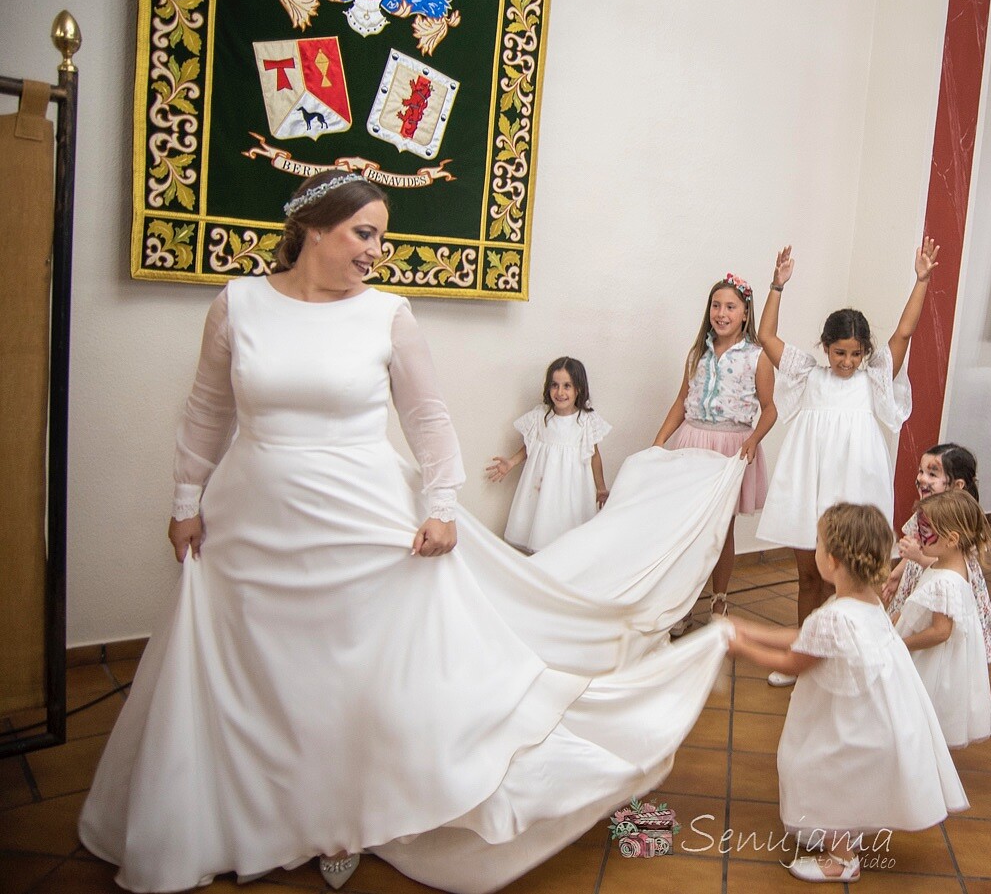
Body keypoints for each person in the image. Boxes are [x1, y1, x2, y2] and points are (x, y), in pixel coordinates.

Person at [78, 171, 746, 893]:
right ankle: (258, 813)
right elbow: (207, 410)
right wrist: (185, 499)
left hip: (362, 520)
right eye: (364, 232)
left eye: (382, 237)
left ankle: (343, 815)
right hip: (252, 519)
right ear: (312, 225)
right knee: (257, 669)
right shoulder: (236, 305)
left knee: (349, 673)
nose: (376, 250)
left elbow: (428, 419)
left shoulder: (387, 313)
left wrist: (443, 506)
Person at [726, 503, 967, 883]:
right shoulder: (867, 602)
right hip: (874, 715)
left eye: (818, 543)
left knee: (817, 770)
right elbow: (806, 639)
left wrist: (743, 648)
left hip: (852, 722)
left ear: (832, 560)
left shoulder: (833, 616)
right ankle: (844, 833)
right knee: (842, 775)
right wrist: (748, 629)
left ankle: (841, 860)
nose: (816, 549)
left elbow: (795, 661)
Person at [755, 239, 934, 685]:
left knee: (855, 583)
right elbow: (766, 337)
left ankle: (851, 657)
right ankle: (804, 657)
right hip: (810, 489)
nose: (848, 362)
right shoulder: (807, 375)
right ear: (825, 348)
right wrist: (777, 286)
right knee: (809, 579)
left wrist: (922, 280)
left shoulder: (875, 378)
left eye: (856, 353)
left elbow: (905, 332)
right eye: (840, 353)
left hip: (855, 491)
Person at [653, 273, 777, 632]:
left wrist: (752, 441)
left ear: (744, 313)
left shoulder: (757, 358)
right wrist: (659, 442)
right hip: (693, 441)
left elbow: (770, 409)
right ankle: (683, 601)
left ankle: (719, 600)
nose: (721, 313)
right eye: (716, 305)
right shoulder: (698, 354)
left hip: (730, 448)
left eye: (730, 307)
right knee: (689, 528)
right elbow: (682, 401)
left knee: (721, 530)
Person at [895, 491, 991, 749]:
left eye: (925, 530)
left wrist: (901, 644)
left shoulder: (946, 582)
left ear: (952, 538)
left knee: (918, 718)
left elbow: (941, 631)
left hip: (932, 663)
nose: (918, 536)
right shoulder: (946, 562)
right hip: (924, 654)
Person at [883, 443, 991, 661]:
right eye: (921, 471)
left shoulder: (961, 522)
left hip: (944, 594)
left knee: (933, 645)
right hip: (920, 586)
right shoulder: (924, 511)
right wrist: (898, 572)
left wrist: (918, 557)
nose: (922, 479)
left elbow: (951, 569)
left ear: (957, 485)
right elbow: (915, 546)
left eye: (932, 473)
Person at [485, 356, 611, 552]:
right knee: (542, 523)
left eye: (567, 386)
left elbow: (594, 455)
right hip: (543, 486)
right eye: (555, 385)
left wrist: (601, 487)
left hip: (573, 488)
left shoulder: (586, 421)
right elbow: (530, 446)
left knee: (569, 534)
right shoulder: (541, 416)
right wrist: (511, 462)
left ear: (578, 388)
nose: (560, 392)